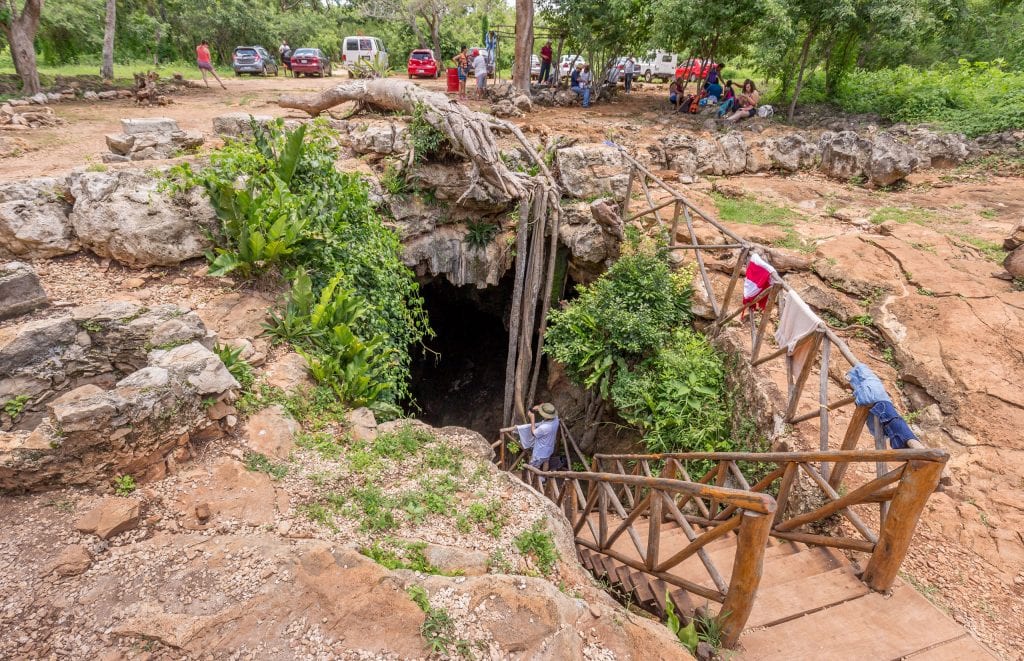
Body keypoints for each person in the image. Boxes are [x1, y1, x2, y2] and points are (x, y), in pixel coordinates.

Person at [515, 403, 560, 468]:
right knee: (546, 461)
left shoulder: (544, 427)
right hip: (549, 448)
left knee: (533, 466)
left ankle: (531, 478)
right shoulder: (556, 419)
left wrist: (532, 418)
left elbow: (534, 433)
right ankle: (543, 477)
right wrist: (538, 407)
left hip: (540, 452)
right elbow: (547, 406)